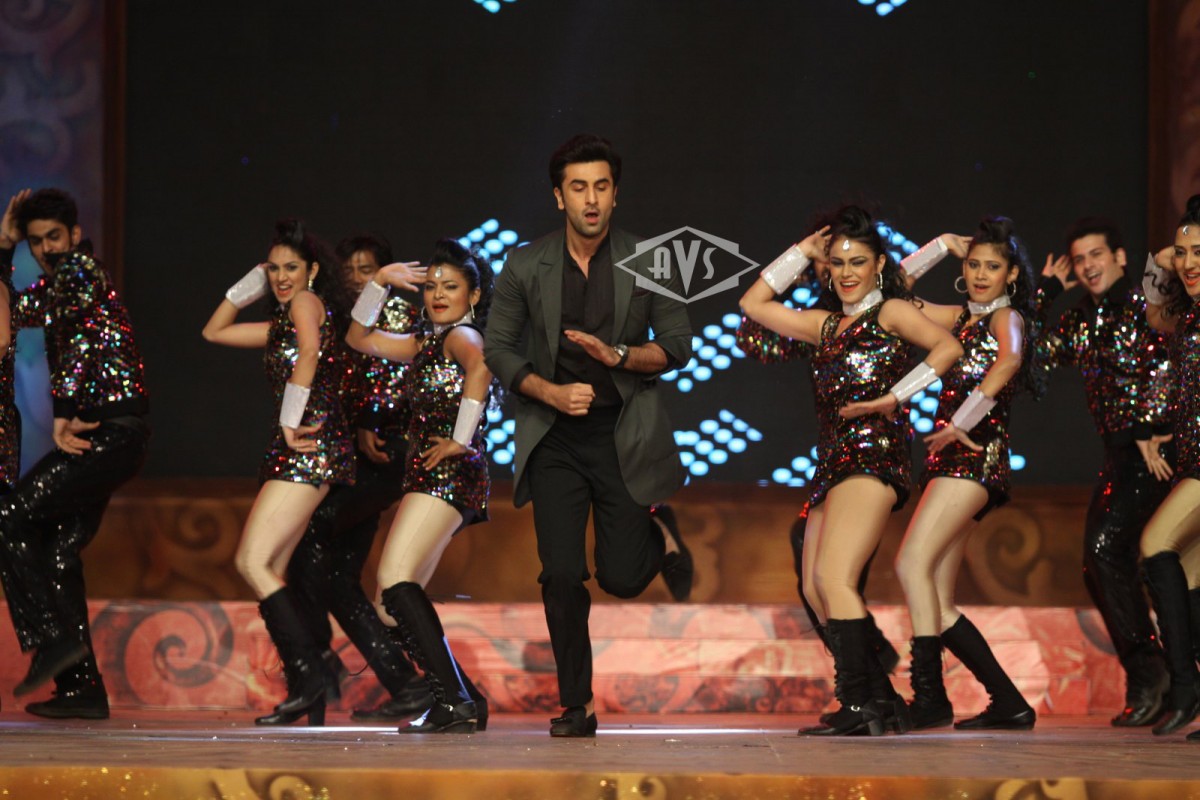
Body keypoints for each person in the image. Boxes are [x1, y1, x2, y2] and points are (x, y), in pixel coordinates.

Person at [483, 134, 694, 737]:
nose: (592, 199)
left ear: (615, 194)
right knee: (561, 572)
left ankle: (659, 532)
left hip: (622, 434)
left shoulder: (651, 261)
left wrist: (619, 354)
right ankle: (577, 703)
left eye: (602, 186)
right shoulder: (526, 263)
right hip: (554, 437)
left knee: (622, 579)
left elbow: (677, 346)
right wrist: (548, 393)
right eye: (579, 188)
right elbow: (497, 348)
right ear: (559, 197)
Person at [740, 205, 962, 736]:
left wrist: (893, 397)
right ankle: (879, 701)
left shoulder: (891, 311)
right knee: (817, 588)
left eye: (857, 261)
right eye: (836, 262)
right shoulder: (825, 326)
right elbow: (752, 304)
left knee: (834, 579)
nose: (845, 272)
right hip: (833, 462)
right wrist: (802, 252)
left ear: (879, 264)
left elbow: (948, 346)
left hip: (873, 453)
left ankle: (859, 704)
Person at [0, 187, 151, 719]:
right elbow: (13, 314)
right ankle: (82, 689)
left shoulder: (80, 271)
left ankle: (50, 640)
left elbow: (81, 346)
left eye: (55, 237)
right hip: (110, 436)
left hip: (108, 433)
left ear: (76, 235)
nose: (47, 249)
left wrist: (63, 411)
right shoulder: (58, 284)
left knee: (8, 515)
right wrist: (4, 250)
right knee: (59, 553)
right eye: (37, 242)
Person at [202, 219, 354, 725]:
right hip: (297, 448)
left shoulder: (307, 303)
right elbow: (213, 330)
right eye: (273, 269)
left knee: (251, 562)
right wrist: (250, 283)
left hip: (307, 445)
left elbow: (309, 352)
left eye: (291, 267)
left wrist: (290, 417)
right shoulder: (280, 324)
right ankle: (309, 684)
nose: (282, 277)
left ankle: (312, 674)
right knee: (269, 566)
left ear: (313, 270)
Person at [282, 234, 436, 724]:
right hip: (355, 458)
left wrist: (370, 420)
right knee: (337, 576)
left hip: (386, 452)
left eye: (367, 269)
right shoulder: (339, 316)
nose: (356, 278)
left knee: (310, 542)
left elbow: (397, 377)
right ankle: (406, 684)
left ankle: (316, 665)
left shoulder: (396, 311)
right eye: (348, 270)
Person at [894, 218, 1040, 731]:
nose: (980, 275)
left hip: (973, 455)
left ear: (1011, 275)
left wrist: (962, 421)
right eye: (974, 264)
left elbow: (1009, 362)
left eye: (991, 266)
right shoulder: (960, 318)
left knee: (910, 563)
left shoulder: (1007, 317)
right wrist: (937, 247)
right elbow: (891, 294)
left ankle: (929, 698)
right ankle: (1011, 703)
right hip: (951, 459)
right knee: (935, 596)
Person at [345, 237, 493, 734]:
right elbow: (358, 337)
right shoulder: (426, 342)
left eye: (450, 286)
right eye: (431, 287)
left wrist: (460, 438)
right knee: (390, 606)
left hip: (448, 474)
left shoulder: (461, 336)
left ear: (473, 295)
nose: (437, 295)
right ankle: (466, 698)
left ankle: (454, 702)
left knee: (394, 581)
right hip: (429, 475)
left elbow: (482, 367)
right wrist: (379, 282)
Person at [1039, 217, 1175, 727]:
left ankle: (1154, 675)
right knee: (1097, 562)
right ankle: (1155, 673)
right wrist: (1043, 295)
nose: (1088, 266)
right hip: (1120, 455)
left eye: (1096, 254)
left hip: (1160, 448)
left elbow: (1170, 361)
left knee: (1109, 552)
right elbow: (1033, 358)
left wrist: (1150, 425)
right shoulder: (1080, 318)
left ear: (1119, 257)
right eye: (1079, 260)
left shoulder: (1146, 302)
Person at [1140, 194, 1200, 738]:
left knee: (1155, 545)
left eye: (1199, 252)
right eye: (1183, 253)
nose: (1187, 262)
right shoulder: (1190, 314)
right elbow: (1154, 314)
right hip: (1191, 457)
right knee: (1189, 575)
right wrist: (1164, 257)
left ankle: (1184, 686)